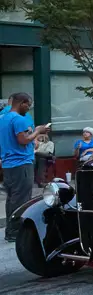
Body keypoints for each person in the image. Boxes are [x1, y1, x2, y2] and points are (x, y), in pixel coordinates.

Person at [0, 93, 49, 242]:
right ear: (22, 103)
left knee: (12, 198)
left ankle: (11, 230)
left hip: (8, 164)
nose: (28, 108)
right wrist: (38, 131)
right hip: (21, 163)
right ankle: (16, 231)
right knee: (21, 199)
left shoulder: (3, 118)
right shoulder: (18, 119)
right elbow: (23, 140)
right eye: (28, 105)